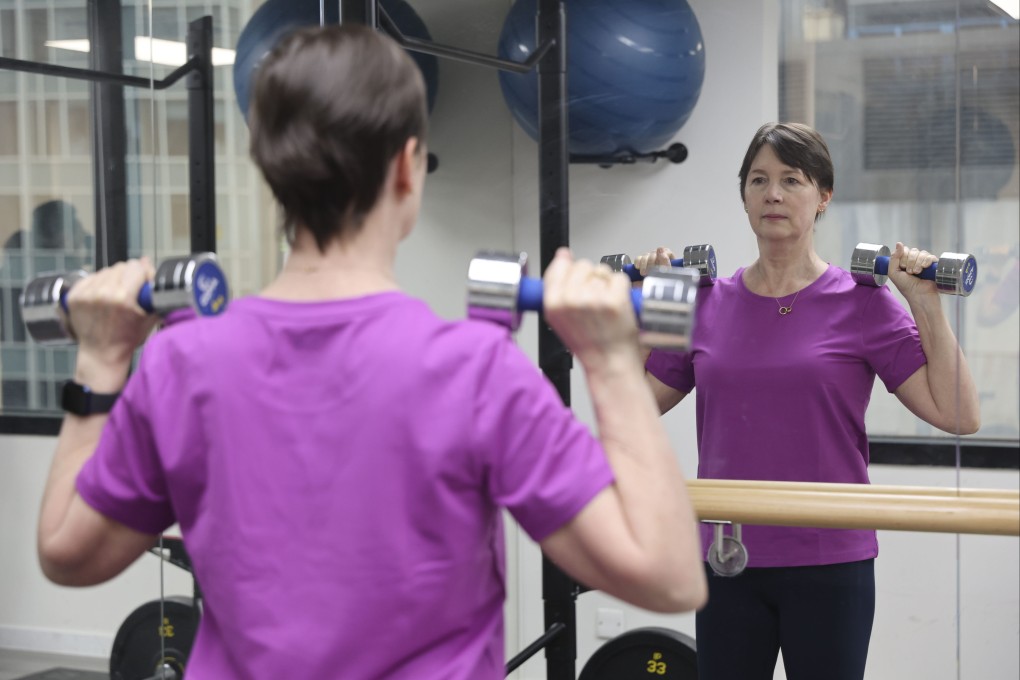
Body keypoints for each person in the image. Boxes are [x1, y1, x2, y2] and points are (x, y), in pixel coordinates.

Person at [35, 24, 707, 679]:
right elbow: (670, 576)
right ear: (407, 168)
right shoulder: (474, 371)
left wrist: (101, 358)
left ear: (270, 169)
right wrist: (612, 362)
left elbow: (68, 553)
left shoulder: (181, 364)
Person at [633, 122, 980, 680]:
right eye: (758, 180)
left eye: (791, 179)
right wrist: (644, 305)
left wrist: (924, 302)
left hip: (830, 558)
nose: (772, 193)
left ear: (823, 196)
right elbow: (631, 407)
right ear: (744, 196)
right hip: (727, 557)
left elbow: (960, 415)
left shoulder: (862, 302)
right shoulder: (700, 302)